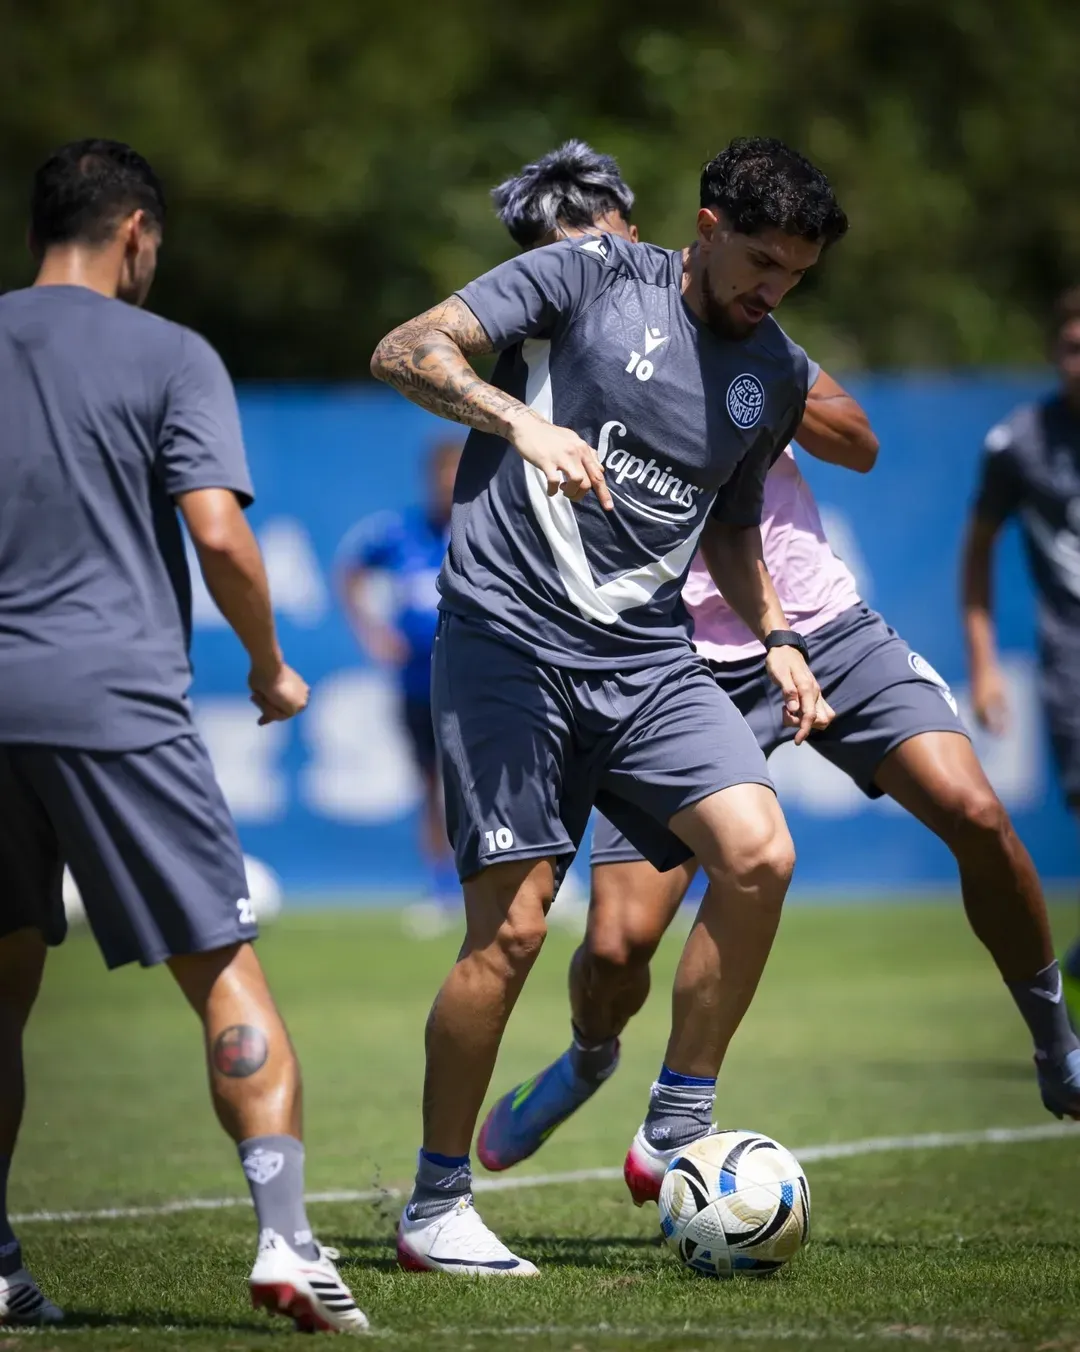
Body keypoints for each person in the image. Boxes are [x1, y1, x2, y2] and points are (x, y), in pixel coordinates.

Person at [476, 144, 1080, 1197]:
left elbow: (859, 441)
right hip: (665, 657)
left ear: (651, 235)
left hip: (815, 622)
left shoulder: (751, 332)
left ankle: (1054, 1039)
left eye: (603, 243)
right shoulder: (537, 370)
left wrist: (740, 383)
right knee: (615, 949)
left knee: (975, 812)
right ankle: (587, 1057)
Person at [371, 136, 847, 1275]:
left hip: (646, 661)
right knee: (513, 932)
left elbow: (731, 523)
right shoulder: (587, 274)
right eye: (762, 262)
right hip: (508, 642)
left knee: (759, 853)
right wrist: (519, 421)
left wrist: (779, 635)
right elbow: (403, 348)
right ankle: (436, 1205)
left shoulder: (774, 373)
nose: (774, 290)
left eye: (797, 274)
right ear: (707, 226)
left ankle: (679, 1117)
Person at [0, 140, 366, 1333]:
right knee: (223, 970)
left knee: (2, 987)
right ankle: (287, 1239)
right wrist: (269, 664)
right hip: (113, 699)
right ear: (136, 234)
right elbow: (217, 532)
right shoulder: (170, 353)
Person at [963, 287, 1080, 1027]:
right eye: (1072, 347)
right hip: (1073, 662)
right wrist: (981, 665)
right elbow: (978, 549)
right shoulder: (1020, 443)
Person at [337, 438, 463, 936]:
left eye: (456, 474)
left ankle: (540, 885)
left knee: (489, 783)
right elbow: (350, 572)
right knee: (431, 785)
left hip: (474, 680)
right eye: (441, 475)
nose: (448, 484)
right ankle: (442, 891)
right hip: (417, 683)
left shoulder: (486, 529)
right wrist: (372, 632)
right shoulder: (400, 532)